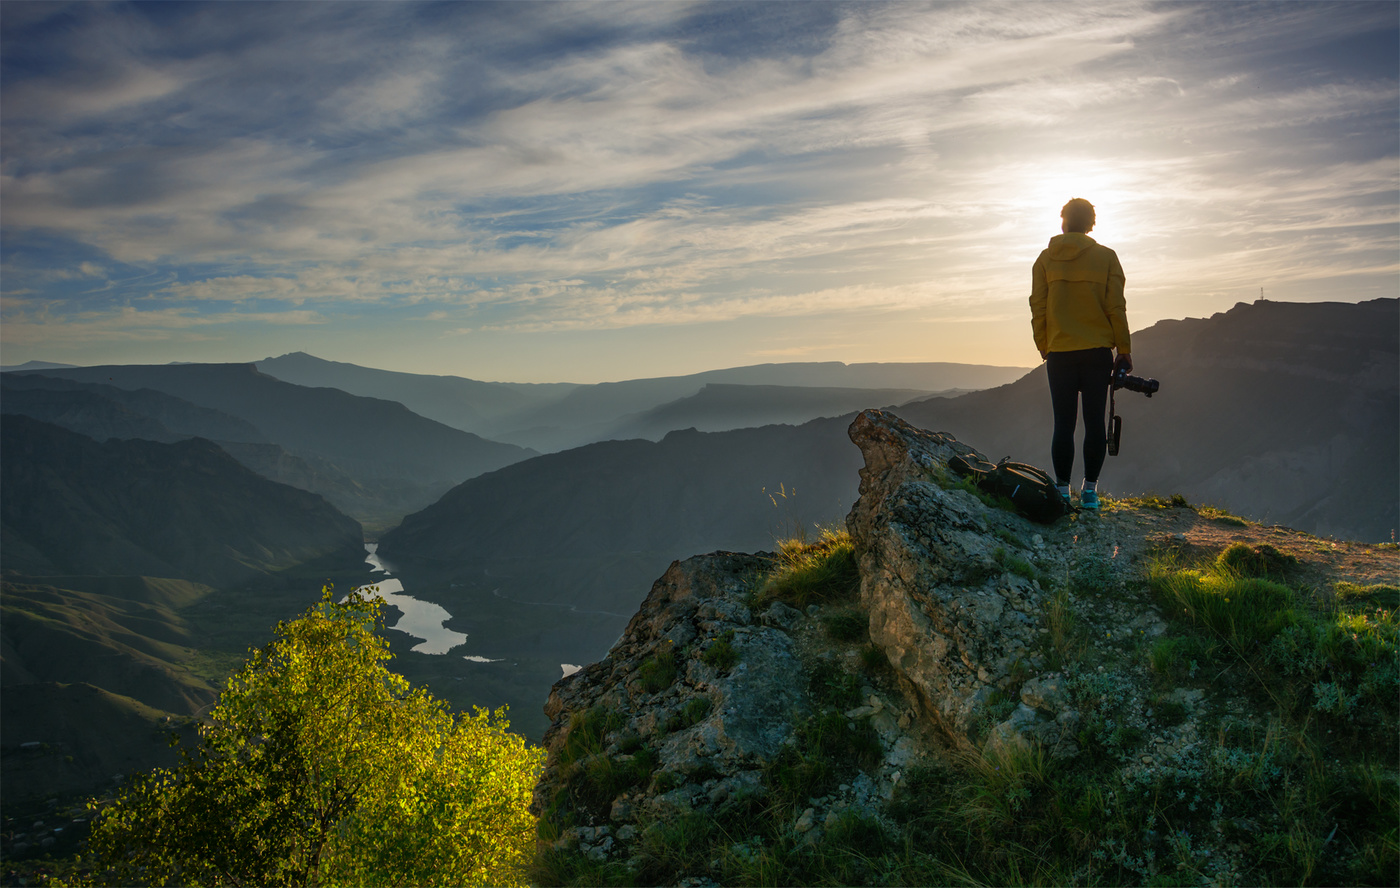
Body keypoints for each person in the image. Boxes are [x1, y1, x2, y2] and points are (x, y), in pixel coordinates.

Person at [1029, 198, 1131, 511]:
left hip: (1059, 352)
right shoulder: (1107, 258)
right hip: (1097, 353)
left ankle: (1061, 490)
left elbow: (1038, 307)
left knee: (1063, 424)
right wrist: (1123, 349)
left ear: (1063, 221)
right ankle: (1089, 492)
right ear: (1091, 224)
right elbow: (1115, 307)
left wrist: (1043, 344)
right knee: (1094, 423)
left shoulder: (1045, 260)